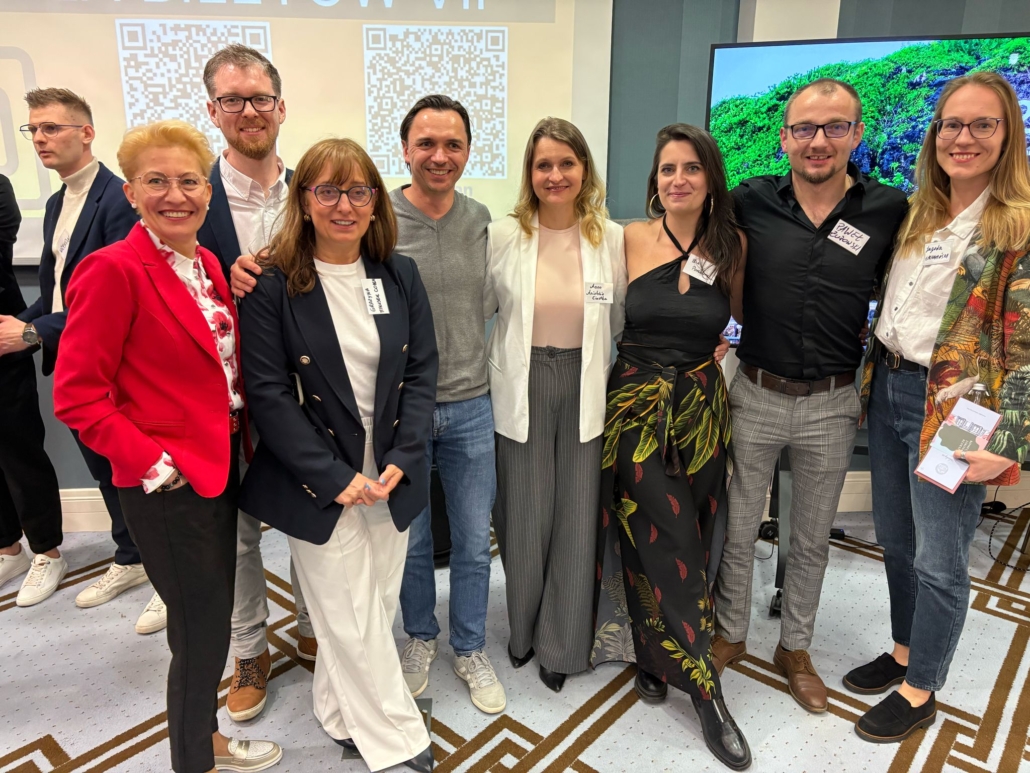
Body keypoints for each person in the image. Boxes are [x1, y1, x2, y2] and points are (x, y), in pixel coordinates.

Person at [231, 93, 506, 715]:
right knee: (406, 547)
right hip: (383, 423)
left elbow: (453, 335)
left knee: (469, 542)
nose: (439, 155)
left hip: (467, 404)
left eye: (453, 144)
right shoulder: (339, 249)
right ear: (404, 151)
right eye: (426, 143)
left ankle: (468, 647)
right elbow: (271, 386)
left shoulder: (479, 220)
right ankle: (417, 641)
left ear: (468, 151)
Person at [53, 120, 282, 773]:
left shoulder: (204, 265)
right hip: (170, 484)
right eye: (157, 181)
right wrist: (156, 465)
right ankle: (197, 758)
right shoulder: (111, 270)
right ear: (130, 191)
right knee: (201, 631)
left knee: (202, 621)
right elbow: (77, 397)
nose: (176, 195)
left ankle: (202, 742)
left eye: (189, 181)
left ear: (208, 192)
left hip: (221, 463)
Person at [237, 137, 437, 773]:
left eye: (357, 191)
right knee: (348, 611)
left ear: (376, 201)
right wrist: (332, 476)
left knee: (374, 601)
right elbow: (268, 393)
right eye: (327, 190)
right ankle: (397, 737)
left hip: (392, 466)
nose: (344, 205)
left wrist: (407, 451)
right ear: (304, 200)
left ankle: (336, 711)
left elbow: (422, 371)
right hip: (319, 473)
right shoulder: (273, 283)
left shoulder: (398, 275)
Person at [711, 78, 908, 713]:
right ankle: (730, 633)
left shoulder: (888, 210)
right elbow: (700, 249)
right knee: (738, 527)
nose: (818, 140)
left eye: (834, 127)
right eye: (804, 128)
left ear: (856, 133)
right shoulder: (750, 200)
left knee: (812, 537)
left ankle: (794, 648)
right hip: (756, 391)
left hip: (832, 400)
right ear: (785, 137)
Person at [849, 72, 1030, 743]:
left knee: (940, 555)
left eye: (983, 124)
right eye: (952, 124)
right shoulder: (918, 215)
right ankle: (904, 650)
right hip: (891, 388)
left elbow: (1027, 347)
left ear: (1008, 135)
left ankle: (921, 687)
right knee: (896, 538)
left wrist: (1009, 442)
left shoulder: (1017, 227)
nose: (964, 137)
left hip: (958, 411)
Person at [592, 124, 749, 770]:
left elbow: (742, 319)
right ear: (654, 181)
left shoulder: (732, 244)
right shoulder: (627, 236)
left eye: (691, 168)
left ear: (710, 178)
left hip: (702, 410)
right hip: (636, 405)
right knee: (664, 533)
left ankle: (654, 656)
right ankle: (707, 692)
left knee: (696, 531)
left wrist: (721, 352)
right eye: (667, 169)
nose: (678, 179)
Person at [0, 89, 157, 622]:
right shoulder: (55, 203)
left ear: (86, 133)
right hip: (75, 362)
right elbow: (59, 292)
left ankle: (164, 573)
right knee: (104, 470)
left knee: (134, 471)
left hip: (115, 362)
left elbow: (117, 299)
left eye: (52, 128)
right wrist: (24, 322)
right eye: (34, 130)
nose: (40, 139)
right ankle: (132, 556)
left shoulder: (118, 199)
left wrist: (30, 332)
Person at [484, 117, 626, 693]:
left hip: (587, 383)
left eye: (567, 162)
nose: (555, 174)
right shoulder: (502, 235)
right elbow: (478, 310)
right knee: (523, 517)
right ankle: (522, 632)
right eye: (544, 164)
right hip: (522, 385)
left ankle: (561, 644)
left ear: (584, 169)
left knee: (576, 518)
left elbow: (623, 320)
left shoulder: (610, 238)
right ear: (530, 173)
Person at [199, 43, 314, 723]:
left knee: (312, 519)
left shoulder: (314, 191)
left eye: (260, 98)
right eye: (234, 99)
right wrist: (224, 279)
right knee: (236, 532)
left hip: (308, 395)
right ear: (213, 110)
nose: (250, 111)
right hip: (223, 399)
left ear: (280, 107)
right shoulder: (190, 197)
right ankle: (248, 649)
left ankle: (314, 627)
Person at [0, 173, 65, 604]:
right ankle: (8, 548)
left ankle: (47, 551)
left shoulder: (0, 188)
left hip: (4, 338)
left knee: (18, 448)